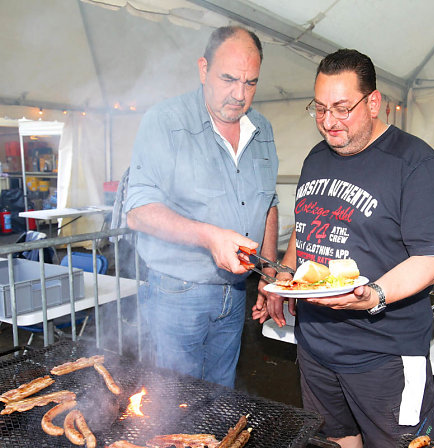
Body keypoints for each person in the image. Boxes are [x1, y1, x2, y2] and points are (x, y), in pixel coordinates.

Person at [254, 49, 434, 448]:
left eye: (342, 108)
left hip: (384, 356)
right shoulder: (317, 157)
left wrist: (375, 296)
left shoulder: (415, 164)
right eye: (320, 108)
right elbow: (309, 224)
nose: (328, 122)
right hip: (315, 348)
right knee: (337, 439)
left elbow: (432, 261)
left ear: (374, 102)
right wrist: (282, 275)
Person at [125, 26, 278, 388]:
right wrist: (209, 237)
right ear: (203, 69)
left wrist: (270, 274)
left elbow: (268, 202)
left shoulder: (263, 128)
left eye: (250, 83)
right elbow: (138, 209)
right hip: (177, 293)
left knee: (221, 396)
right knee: (177, 404)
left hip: (235, 291)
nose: (239, 95)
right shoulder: (165, 121)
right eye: (228, 79)